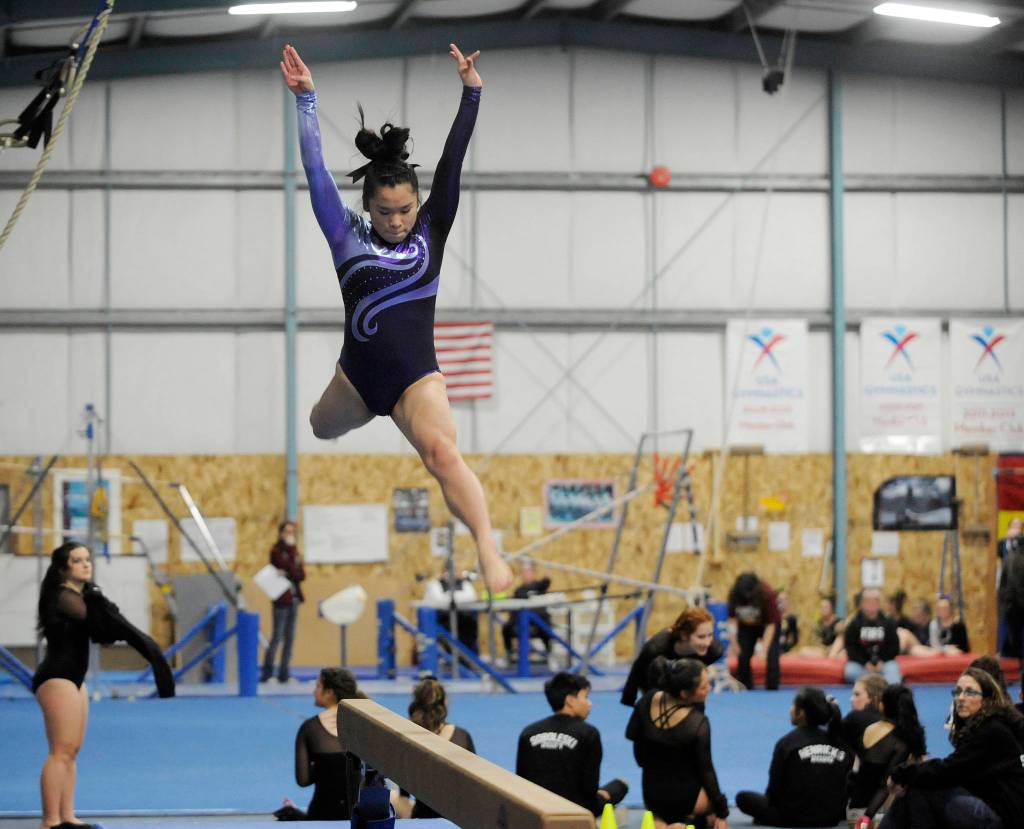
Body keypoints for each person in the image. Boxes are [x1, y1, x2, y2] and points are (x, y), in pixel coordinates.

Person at [280, 43, 512, 596]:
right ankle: (354, 414)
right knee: (318, 427)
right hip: (356, 380)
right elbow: (314, 170)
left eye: (406, 209)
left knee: (442, 454)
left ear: (417, 203)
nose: (397, 221)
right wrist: (307, 101)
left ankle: (488, 547)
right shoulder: (345, 234)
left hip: (415, 380)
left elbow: (453, 161)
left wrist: (471, 93)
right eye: (384, 212)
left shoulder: (432, 228)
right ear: (368, 207)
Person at [33, 541, 174, 829]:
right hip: (57, 677)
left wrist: (100, 605)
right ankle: (50, 822)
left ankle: (67, 816)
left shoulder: (83, 596)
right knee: (60, 751)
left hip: (75, 679)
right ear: (62, 569)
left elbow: (104, 632)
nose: (86, 564)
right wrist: (102, 606)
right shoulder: (63, 597)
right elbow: (99, 626)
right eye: (77, 560)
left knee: (72, 752)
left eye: (88, 559)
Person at [880, 668, 1024, 829]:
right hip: (992, 806)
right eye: (958, 692)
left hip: (1003, 818)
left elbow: (948, 770)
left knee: (919, 787)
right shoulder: (981, 726)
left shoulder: (991, 730)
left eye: (970, 692)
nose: (961, 698)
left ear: (986, 699)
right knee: (921, 788)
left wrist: (902, 773)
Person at [626, 657, 730, 829]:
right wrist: (721, 810)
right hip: (686, 797)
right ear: (684, 694)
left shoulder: (647, 698)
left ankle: (662, 820)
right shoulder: (697, 723)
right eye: (704, 686)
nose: (709, 688)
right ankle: (687, 819)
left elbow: (633, 741)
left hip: (652, 794)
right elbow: (706, 770)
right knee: (711, 809)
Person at [734, 687, 852, 827]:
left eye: (793, 705)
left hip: (792, 817)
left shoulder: (787, 743)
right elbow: (848, 785)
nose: (790, 709)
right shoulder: (841, 743)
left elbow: (773, 791)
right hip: (831, 817)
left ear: (801, 713)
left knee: (743, 798)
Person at [515, 672, 628, 817]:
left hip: (536, 809)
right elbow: (589, 788)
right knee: (621, 784)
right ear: (570, 700)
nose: (590, 703)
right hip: (575, 810)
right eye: (585, 697)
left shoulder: (528, 732)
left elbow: (521, 781)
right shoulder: (588, 733)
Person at [282, 668, 365, 821]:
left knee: (286, 814)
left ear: (330, 693)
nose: (314, 691)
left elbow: (303, 780)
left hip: (322, 815)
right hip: (362, 816)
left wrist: (325, 766)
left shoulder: (309, 729)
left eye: (318, 686)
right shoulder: (365, 724)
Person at [846, 684, 926, 827]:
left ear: (883, 706)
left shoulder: (870, 729)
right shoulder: (906, 740)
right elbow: (886, 785)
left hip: (856, 809)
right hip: (882, 811)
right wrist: (867, 817)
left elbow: (856, 772)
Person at [394, 677, 475, 819]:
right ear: (445, 703)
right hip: (459, 817)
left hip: (422, 816)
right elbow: (474, 785)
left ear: (415, 704)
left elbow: (404, 796)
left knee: (391, 794)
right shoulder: (461, 735)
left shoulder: (405, 738)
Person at [621, 606, 724, 707]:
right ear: (684, 635)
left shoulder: (714, 651)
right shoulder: (656, 648)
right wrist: (629, 698)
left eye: (710, 635)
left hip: (682, 676)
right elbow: (637, 670)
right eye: (701, 637)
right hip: (655, 678)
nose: (707, 642)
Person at [262, 520, 305, 683]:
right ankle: (267, 673)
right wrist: (291, 567)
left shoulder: (295, 552)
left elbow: (300, 575)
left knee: (290, 637)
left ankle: (284, 673)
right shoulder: (276, 550)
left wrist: (290, 569)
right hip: (281, 599)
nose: (290, 535)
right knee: (277, 636)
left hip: (294, 598)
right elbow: (285, 565)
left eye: (292, 532)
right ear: (281, 533)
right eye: (287, 532)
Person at [728, 572, 781, 690]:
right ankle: (745, 686)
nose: (747, 597)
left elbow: (771, 624)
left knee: (772, 655)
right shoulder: (734, 593)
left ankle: (772, 688)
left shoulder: (767, 593)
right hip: (746, 627)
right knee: (743, 655)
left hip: (768, 625)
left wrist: (764, 650)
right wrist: (734, 643)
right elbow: (732, 620)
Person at [843, 589, 902, 685]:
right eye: (868, 602)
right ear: (862, 604)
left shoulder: (888, 623)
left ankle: (876, 683)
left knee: (894, 676)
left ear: (879, 604)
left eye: (874, 602)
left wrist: (882, 661)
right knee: (850, 672)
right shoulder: (854, 624)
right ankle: (875, 682)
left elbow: (894, 646)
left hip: (884, 663)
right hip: (862, 666)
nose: (871, 605)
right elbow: (850, 648)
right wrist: (865, 663)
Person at [422, 563, 479, 654]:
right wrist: (457, 596)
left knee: (469, 625)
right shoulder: (435, 584)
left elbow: (471, 597)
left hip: (463, 620)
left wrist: (450, 595)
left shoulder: (465, 584)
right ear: (444, 572)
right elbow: (439, 599)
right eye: (449, 570)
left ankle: (469, 657)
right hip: (443, 620)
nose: (452, 573)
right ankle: (452, 656)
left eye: (455, 571)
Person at [501, 563, 552, 661]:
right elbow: (514, 607)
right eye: (524, 573)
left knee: (544, 627)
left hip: (538, 621)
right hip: (522, 621)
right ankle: (509, 654)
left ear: (533, 574)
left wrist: (548, 572)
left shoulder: (538, 586)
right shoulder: (519, 590)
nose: (525, 575)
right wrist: (511, 620)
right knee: (506, 628)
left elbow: (545, 583)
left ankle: (548, 652)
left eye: (528, 572)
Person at [998, 521, 1024, 658]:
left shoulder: (1012, 558)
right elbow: (1005, 585)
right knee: (1014, 639)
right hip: (1013, 606)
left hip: (1014, 603)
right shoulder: (1007, 553)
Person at [841, 674, 887, 749]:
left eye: (857, 694)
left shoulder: (854, 718)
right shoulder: (893, 721)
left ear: (873, 698)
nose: (851, 699)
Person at [776, 589, 799, 654]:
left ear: (788, 602)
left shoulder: (792, 619)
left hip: (786, 651)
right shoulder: (773, 618)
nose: (782, 603)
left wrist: (787, 646)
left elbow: (795, 639)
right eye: (780, 600)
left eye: (785, 600)